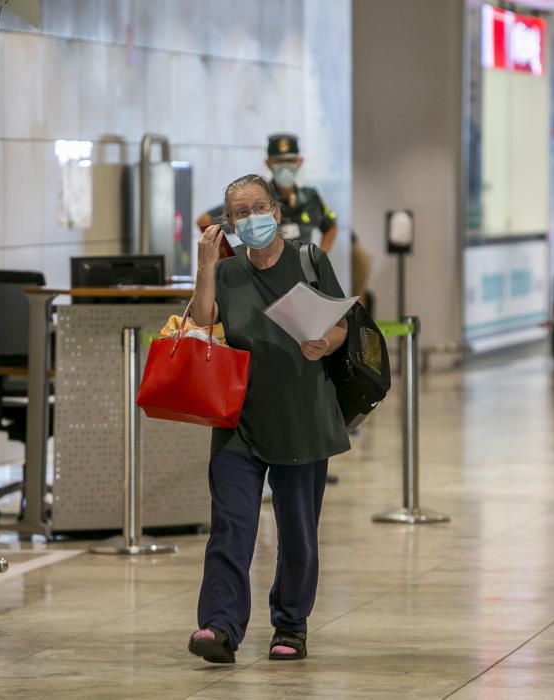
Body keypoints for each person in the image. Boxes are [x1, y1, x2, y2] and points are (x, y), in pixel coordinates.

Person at [186, 174, 350, 664]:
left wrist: (327, 342)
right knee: (232, 524)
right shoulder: (228, 271)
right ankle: (220, 626)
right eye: (240, 211)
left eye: (259, 207)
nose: (251, 217)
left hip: (301, 414)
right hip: (238, 417)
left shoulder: (309, 260)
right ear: (228, 222)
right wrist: (206, 268)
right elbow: (199, 324)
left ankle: (291, 625)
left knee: (297, 529)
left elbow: (341, 325)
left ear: (277, 212)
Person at [196, 133, 339, 251]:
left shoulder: (311, 197)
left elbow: (330, 225)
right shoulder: (259, 197)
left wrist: (320, 258)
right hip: (265, 272)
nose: (285, 167)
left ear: (299, 162)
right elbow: (205, 221)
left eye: (290, 160)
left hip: (303, 274)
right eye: (279, 161)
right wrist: (224, 256)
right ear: (269, 163)